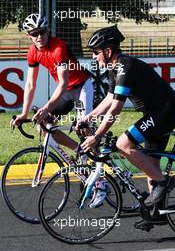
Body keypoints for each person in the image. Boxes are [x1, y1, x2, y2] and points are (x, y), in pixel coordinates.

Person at [78, 25, 175, 226]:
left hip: (165, 111)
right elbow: (109, 99)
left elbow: (115, 109)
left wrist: (97, 136)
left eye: (96, 53)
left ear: (108, 51)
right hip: (157, 112)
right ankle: (156, 212)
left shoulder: (124, 67)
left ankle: (164, 183)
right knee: (152, 164)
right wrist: (88, 117)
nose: (94, 57)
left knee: (123, 144)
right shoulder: (115, 68)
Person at [12, 13, 94, 154]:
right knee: (43, 125)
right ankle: (79, 150)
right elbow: (31, 84)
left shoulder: (58, 47)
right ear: (29, 36)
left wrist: (45, 108)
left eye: (42, 32)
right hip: (65, 93)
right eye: (34, 34)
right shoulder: (32, 52)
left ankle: (100, 164)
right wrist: (24, 114)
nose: (39, 37)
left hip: (81, 87)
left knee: (84, 127)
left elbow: (63, 82)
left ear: (47, 30)